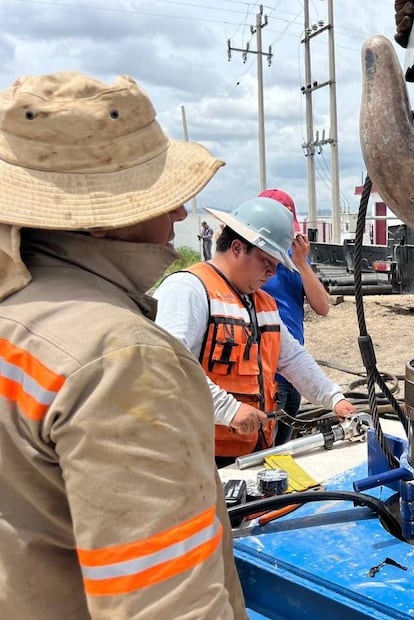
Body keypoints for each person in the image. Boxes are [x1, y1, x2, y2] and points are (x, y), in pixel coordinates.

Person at [0, 72, 245, 618]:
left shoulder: (17, 309)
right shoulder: (123, 358)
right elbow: (167, 605)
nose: (181, 214)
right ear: (104, 222)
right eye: (162, 199)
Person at [153, 196, 355, 464]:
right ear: (237, 248)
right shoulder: (189, 290)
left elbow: (292, 358)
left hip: (251, 452)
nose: (272, 272)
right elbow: (167, 367)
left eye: (276, 265)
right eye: (266, 261)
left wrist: (334, 398)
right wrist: (229, 410)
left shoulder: (261, 303)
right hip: (198, 457)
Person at [259, 188, 330, 445]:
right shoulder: (251, 263)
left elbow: (322, 306)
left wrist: (301, 263)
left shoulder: (293, 259)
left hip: (291, 371)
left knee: (282, 452)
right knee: (265, 453)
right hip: (264, 374)